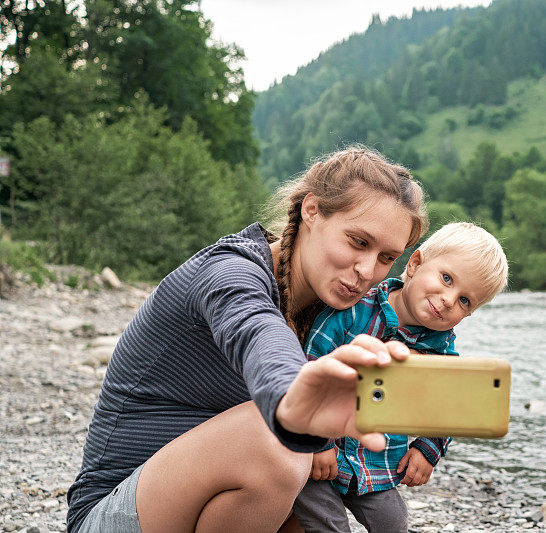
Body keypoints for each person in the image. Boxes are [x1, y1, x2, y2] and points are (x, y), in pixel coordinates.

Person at [66, 146, 429, 533]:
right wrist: (299, 398)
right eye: (358, 242)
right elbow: (258, 335)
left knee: (310, 486)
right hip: (113, 516)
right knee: (277, 445)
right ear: (312, 211)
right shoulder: (230, 272)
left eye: (387, 257)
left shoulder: (331, 313)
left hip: (196, 506)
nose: (367, 270)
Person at [291, 222, 509, 533]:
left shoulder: (442, 351)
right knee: (328, 523)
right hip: (322, 456)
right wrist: (317, 443)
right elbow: (309, 369)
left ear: (469, 314)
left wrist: (427, 449)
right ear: (416, 264)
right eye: (446, 279)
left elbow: (451, 408)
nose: (449, 299)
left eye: (465, 301)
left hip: (377, 467)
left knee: (393, 523)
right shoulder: (353, 312)